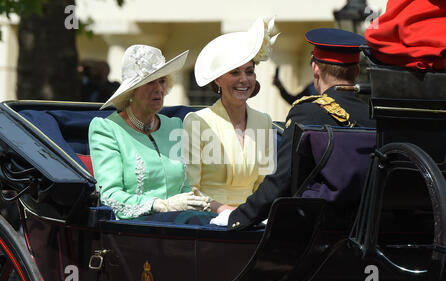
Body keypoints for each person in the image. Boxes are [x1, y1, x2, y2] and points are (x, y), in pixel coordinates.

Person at [211, 28, 376, 229]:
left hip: (318, 228)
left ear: (316, 69)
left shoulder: (308, 112)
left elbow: (282, 179)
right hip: (367, 226)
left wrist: (239, 217)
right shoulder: (374, 115)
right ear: (356, 71)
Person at [88, 44, 212, 220]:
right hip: (137, 230)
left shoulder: (175, 126)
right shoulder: (106, 129)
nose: (159, 89)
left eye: (162, 81)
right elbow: (110, 196)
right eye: (150, 82)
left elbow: (188, 186)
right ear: (132, 90)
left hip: (183, 223)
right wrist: (160, 205)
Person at [183, 17, 279, 214]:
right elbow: (189, 188)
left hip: (252, 220)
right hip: (205, 220)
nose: (244, 79)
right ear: (218, 79)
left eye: (249, 71)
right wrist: (225, 211)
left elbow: (266, 184)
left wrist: (252, 215)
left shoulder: (264, 121)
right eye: (235, 72)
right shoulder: (197, 122)